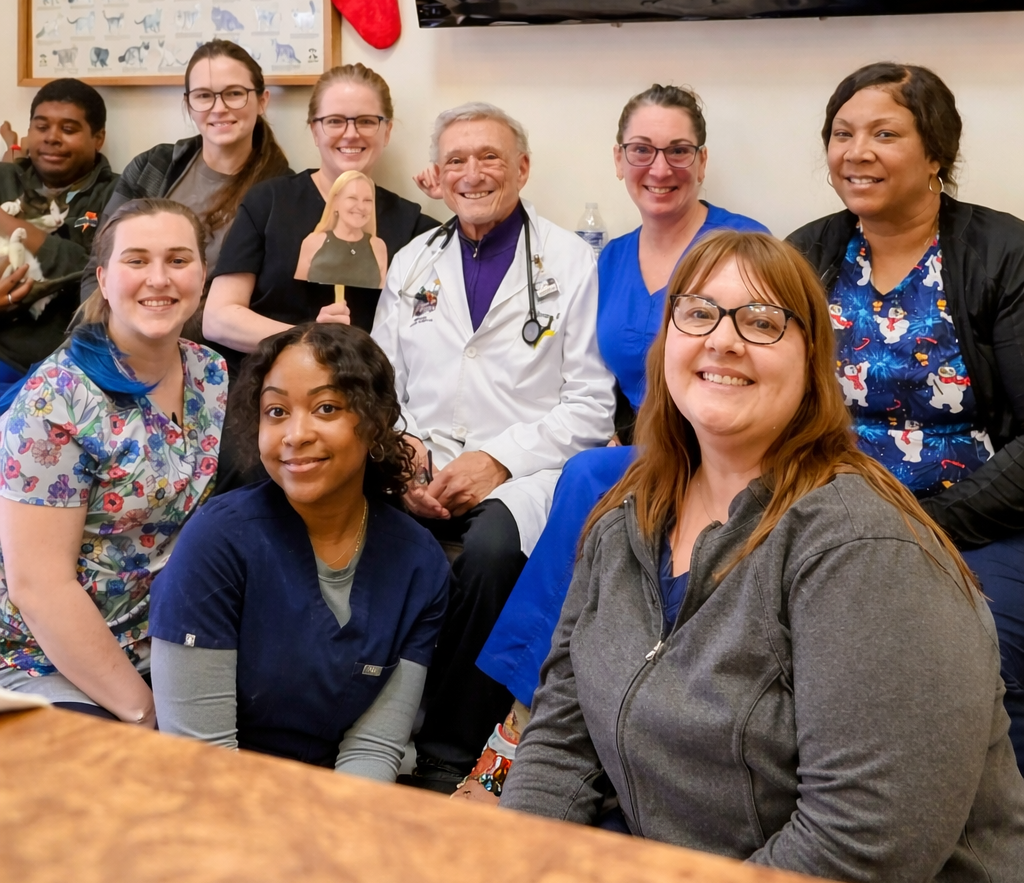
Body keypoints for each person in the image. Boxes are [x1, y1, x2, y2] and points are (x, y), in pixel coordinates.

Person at [500, 229, 1024, 879]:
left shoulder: (866, 552)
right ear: (666, 345)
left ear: (814, 363)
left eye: (762, 321)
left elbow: (863, 844)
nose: (723, 339)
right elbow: (560, 743)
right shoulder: (623, 521)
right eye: (698, 313)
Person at [465, 88, 769, 795]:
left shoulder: (738, 246)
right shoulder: (605, 259)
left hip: (729, 447)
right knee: (589, 475)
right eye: (642, 150)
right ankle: (546, 735)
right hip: (656, 449)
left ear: (702, 161)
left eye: (677, 150)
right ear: (619, 159)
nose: (659, 167)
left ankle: (516, 731)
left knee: (585, 477)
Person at [788, 62, 1024, 773]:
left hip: (974, 519)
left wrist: (923, 524)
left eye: (884, 134)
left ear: (936, 154)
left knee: (983, 652)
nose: (856, 152)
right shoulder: (808, 252)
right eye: (842, 134)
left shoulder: (1003, 253)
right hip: (824, 506)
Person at [373, 102, 615, 792]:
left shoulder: (571, 261)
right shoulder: (413, 262)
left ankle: (448, 746)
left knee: (490, 552)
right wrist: (405, 455)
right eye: (456, 159)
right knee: (376, 534)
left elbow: (590, 405)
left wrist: (498, 461)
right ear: (439, 174)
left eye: (490, 158)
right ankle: (369, 725)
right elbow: (381, 388)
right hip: (422, 454)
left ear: (523, 169)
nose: (472, 173)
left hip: (526, 465)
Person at [149, 323, 449, 779]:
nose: (295, 434)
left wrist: (334, 821)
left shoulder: (418, 564)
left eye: (326, 408)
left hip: (338, 801)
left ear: (375, 421)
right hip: (213, 792)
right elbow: (201, 756)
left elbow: (373, 748)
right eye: (276, 411)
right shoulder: (216, 541)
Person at [0, 198, 228, 723]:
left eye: (178, 260)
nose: (159, 278)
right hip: (42, 653)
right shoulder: (58, 401)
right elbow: (40, 587)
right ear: (103, 280)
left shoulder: (210, 373)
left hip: (162, 640)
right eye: (136, 260)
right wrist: (143, 714)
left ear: (202, 275)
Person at [203, 63, 439, 372]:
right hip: (268, 381)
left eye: (367, 121)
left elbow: (435, 319)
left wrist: (454, 193)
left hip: (363, 388)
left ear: (387, 131)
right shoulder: (269, 202)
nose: (351, 133)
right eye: (334, 121)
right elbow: (218, 319)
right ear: (315, 130)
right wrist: (311, 338)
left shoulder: (410, 224)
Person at [80, 40, 290, 312]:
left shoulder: (283, 196)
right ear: (189, 104)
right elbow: (98, 266)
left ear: (262, 101)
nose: (218, 107)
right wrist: (110, 330)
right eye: (203, 96)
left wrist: (168, 331)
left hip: (212, 337)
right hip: (120, 329)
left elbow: (262, 304)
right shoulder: (151, 167)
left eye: (234, 93)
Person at [0, 79, 118, 399]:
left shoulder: (118, 194)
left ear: (98, 138)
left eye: (68, 129)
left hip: (60, 365)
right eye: (41, 127)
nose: (52, 137)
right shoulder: (3, 178)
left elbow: (98, 274)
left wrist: (8, 224)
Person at [294, 170, 388, 291]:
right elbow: (296, 293)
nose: (361, 207)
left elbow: (382, 298)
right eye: (352, 198)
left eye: (367, 200)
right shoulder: (313, 242)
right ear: (335, 201)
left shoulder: (378, 246)